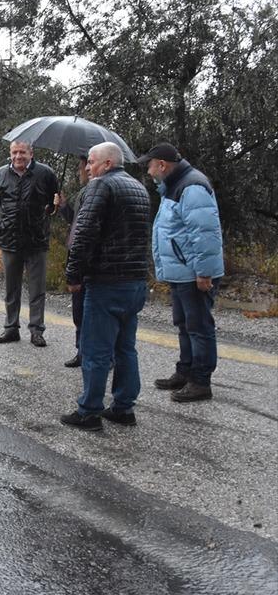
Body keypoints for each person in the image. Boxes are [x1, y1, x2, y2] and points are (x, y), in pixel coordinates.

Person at [61, 142, 150, 430]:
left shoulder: (100, 186)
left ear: (108, 163)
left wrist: (73, 275)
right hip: (135, 281)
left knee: (96, 349)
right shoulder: (139, 188)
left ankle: (89, 411)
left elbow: (84, 233)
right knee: (125, 348)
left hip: (106, 282)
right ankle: (124, 407)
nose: (88, 167)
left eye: (91, 161)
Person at [140, 143, 224, 403]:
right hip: (182, 270)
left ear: (162, 165)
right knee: (185, 324)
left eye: (150, 166)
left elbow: (204, 232)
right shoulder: (174, 186)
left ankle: (200, 381)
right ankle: (185, 371)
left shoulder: (192, 186)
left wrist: (204, 272)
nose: (149, 172)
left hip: (193, 272)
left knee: (198, 327)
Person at [0, 141, 59, 346]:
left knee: (37, 289)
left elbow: (51, 205)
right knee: (11, 288)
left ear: (31, 153)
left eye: (22, 152)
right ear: (10, 153)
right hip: (9, 239)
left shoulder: (46, 174)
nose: (18, 156)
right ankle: (11, 328)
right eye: (14, 152)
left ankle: (37, 330)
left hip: (36, 240)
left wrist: (53, 207)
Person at [54, 156, 90, 368]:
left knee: (89, 311)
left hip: (87, 263)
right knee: (79, 310)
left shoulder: (96, 194)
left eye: (81, 168)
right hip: (77, 260)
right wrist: (63, 206)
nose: (79, 172)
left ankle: (99, 354)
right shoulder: (82, 194)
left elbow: (83, 233)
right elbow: (73, 221)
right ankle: (81, 351)